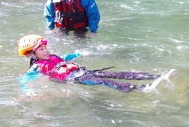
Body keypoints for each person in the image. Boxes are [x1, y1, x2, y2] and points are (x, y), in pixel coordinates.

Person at [18, 34, 176, 93]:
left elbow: (65, 57)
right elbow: (25, 79)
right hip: (76, 79)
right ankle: (144, 89)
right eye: (41, 50)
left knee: (115, 74)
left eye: (45, 47)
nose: (46, 51)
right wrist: (27, 91)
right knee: (105, 81)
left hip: (82, 72)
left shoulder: (51, 56)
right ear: (31, 54)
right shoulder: (37, 67)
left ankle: (156, 76)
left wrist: (78, 53)